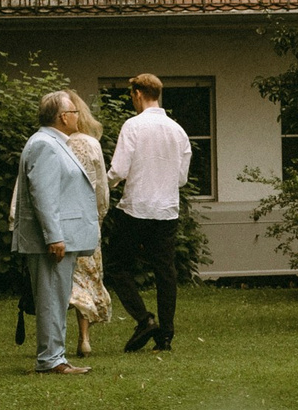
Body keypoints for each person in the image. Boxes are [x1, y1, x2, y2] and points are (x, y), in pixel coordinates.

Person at [11, 90, 99, 375]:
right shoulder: (44, 145)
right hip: (51, 241)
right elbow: (44, 195)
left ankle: (55, 357)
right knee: (51, 299)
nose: (78, 117)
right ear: (63, 117)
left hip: (61, 237)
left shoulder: (53, 143)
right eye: (74, 112)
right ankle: (50, 360)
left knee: (57, 298)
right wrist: (54, 237)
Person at [106, 71, 193, 351]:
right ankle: (166, 335)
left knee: (117, 266)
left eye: (132, 95)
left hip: (136, 207)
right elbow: (181, 178)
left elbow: (118, 169)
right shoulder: (178, 131)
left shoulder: (133, 126)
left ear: (138, 95)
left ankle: (144, 320)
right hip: (166, 210)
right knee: (165, 272)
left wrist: (102, 184)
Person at [63, 94, 113, 355]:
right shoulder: (91, 145)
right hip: (86, 222)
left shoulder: (55, 143)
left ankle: (55, 338)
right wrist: (99, 216)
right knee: (87, 278)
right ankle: (84, 338)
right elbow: (101, 188)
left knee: (62, 280)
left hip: (60, 220)